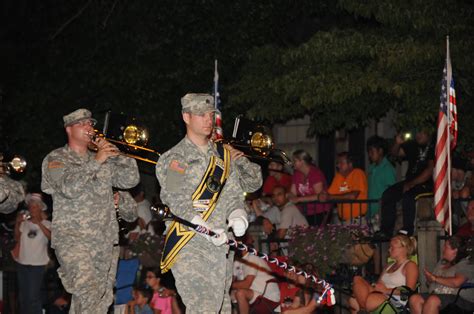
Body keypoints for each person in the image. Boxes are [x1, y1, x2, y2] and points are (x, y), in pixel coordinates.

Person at [156, 93, 262, 313]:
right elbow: (175, 200)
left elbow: (234, 192)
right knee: (204, 308)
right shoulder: (176, 158)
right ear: (186, 117)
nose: (208, 119)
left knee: (221, 307)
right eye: (201, 114)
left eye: (211, 114)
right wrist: (203, 228)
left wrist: (237, 213)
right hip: (190, 243)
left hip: (222, 243)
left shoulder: (222, 156)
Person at [41, 108, 140, 313]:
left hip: (104, 239)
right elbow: (69, 188)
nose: (89, 128)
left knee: (100, 300)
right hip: (73, 239)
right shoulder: (57, 159)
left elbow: (130, 180)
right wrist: (97, 161)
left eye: (91, 124)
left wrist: (119, 152)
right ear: (69, 129)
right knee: (88, 292)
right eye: (83, 124)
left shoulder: (102, 157)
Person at [378, 129, 434, 237]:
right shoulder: (413, 145)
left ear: (428, 133)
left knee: (408, 196)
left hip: (426, 184)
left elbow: (429, 170)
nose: (418, 134)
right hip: (410, 181)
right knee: (388, 194)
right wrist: (397, 143)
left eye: (421, 132)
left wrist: (412, 183)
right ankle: (386, 230)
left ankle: (408, 229)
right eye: (417, 132)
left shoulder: (433, 147)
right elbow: (395, 153)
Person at [349, 233, 418, 313]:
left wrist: (386, 290)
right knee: (357, 281)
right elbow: (379, 285)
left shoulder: (410, 265)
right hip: (381, 294)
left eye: (392, 247)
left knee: (366, 300)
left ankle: (363, 310)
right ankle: (363, 310)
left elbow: (409, 292)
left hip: (395, 300)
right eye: (389, 247)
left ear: (404, 248)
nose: (389, 250)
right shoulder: (388, 266)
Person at [409, 236, 474, 313]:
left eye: (446, 247)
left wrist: (435, 278)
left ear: (455, 250)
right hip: (437, 294)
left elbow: (457, 282)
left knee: (433, 300)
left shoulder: (465, 264)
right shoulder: (442, 263)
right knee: (415, 299)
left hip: (459, 299)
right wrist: (430, 280)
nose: (443, 249)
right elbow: (431, 283)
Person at [13, 193, 51, 314]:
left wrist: (39, 222)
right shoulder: (24, 223)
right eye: (30, 206)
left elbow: (51, 238)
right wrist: (18, 223)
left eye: (34, 207)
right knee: (23, 298)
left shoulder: (47, 224)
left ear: (40, 208)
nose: (31, 209)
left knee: (33, 298)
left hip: (37, 265)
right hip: (22, 263)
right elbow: (17, 238)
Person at [231, 237, 280, 314]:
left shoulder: (252, 258)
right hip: (255, 293)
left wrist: (229, 285)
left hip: (267, 296)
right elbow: (234, 280)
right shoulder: (239, 261)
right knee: (228, 295)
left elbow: (246, 284)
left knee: (240, 293)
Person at [323, 152, 368, 223]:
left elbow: (353, 196)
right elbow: (329, 194)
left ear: (350, 164)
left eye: (341, 163)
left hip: (357, 220)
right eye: (337, 163)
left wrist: (331, 197)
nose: (338, 165)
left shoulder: (358, 173)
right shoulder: (338, 176)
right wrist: (323, 195)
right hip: (343, 220)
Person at [289, 149, 331, 226]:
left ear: (302, 161)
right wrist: (291, 196)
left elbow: (319, 195)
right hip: (304, 211)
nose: (293, 163)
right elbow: (292, 192)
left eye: (295, 161)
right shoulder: (296, 174)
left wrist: (298, 199)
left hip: (319, 210)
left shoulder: (315, 173)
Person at [366, 136, 396, 231]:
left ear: (380, 151)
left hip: (381, 213)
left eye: (372, 151)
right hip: (370, 211)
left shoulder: (387, 168)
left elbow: (392, 190)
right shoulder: (371, 168)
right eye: (369, 152)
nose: (370, 155)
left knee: (378, 241)